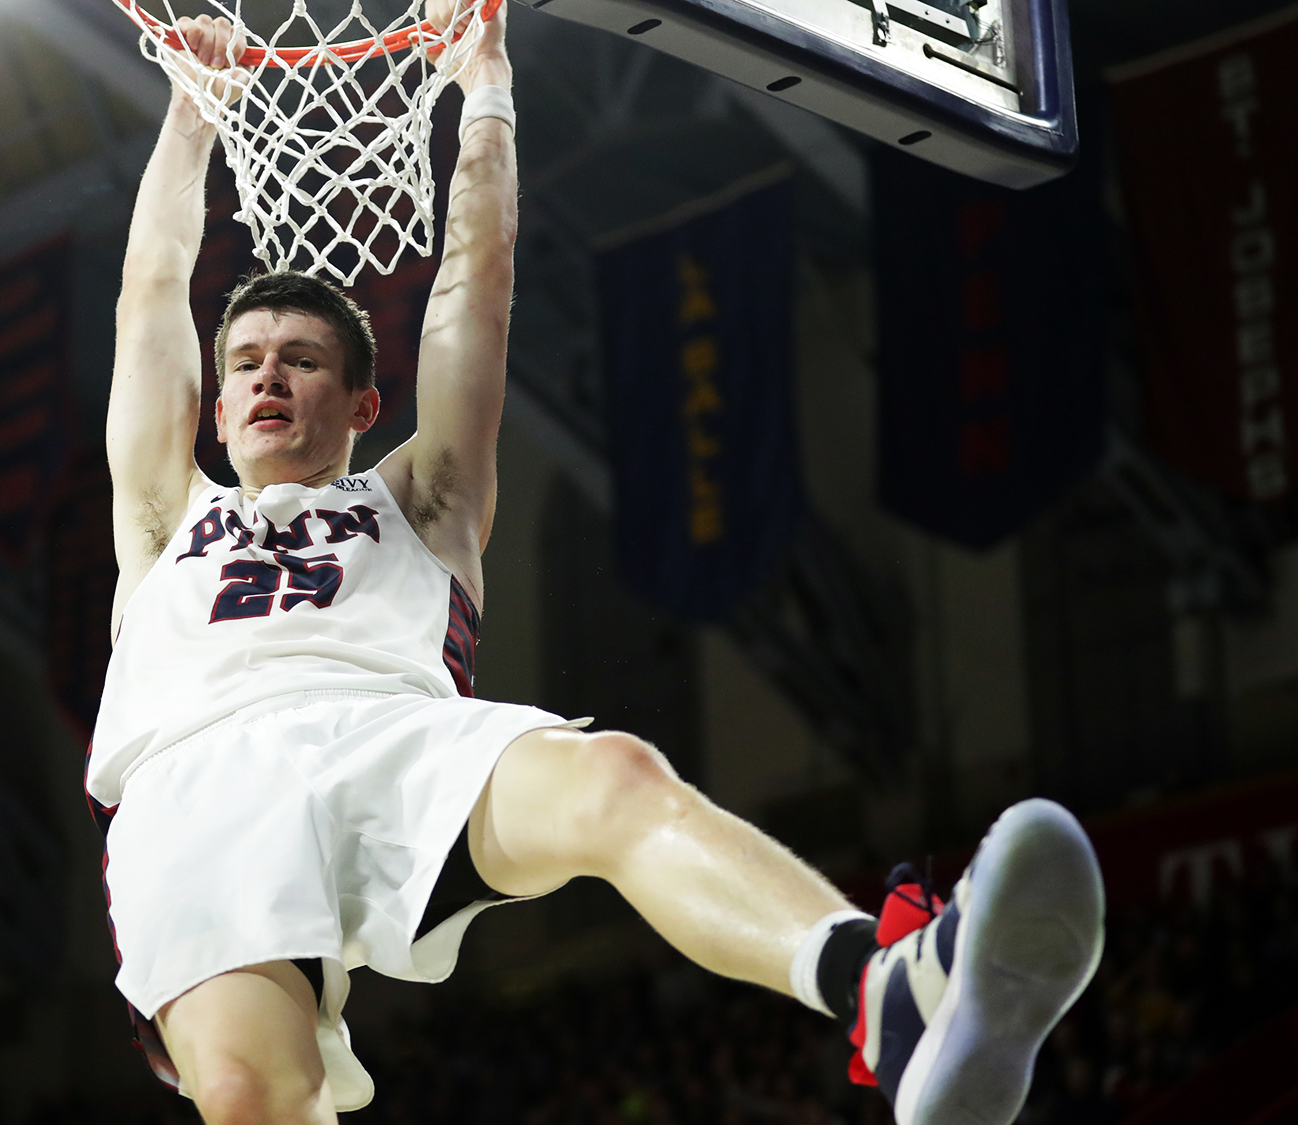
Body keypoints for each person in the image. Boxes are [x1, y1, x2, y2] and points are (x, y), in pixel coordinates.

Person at [88, 4, 1105, 1122]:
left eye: (300, 359)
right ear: (216, 401)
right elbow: (148, 300)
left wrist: (482, 88)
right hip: (194, 783)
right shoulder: (160, 512)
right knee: (248, 1098)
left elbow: (473, 290)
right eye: (242, 362)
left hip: (386, 734)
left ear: (363, 402)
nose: (266, 377)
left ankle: (882, 996)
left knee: (617, 777)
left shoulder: (419, 499)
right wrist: (192, 107)